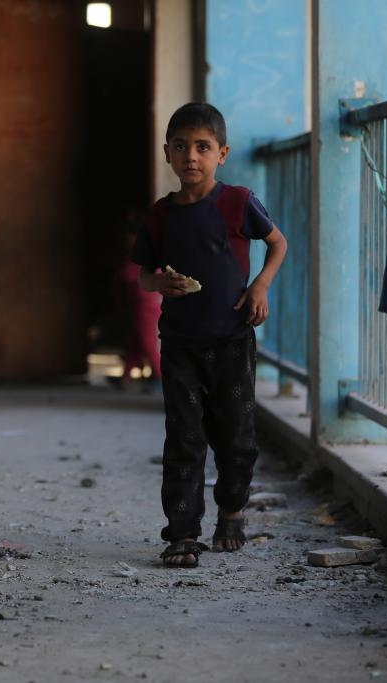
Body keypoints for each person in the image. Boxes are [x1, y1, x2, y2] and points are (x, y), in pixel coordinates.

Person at [129, 102, 288, 568]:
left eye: (202, 147)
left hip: (232, 340)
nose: (191, 157)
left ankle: (232, 511)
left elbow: (277, 242)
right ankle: (182, 533)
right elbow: (142, 275)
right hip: (179, 343)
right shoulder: (161, 216)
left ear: (222, 153)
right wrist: (160, 283)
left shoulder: (238, 201)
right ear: (167, 154)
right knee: (184, 438)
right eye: (181, 147)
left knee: (237, 436)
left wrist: (260, 284)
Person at [119, 208, 163, 390]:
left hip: (146, 302)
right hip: (140, 301)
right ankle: (126, 376)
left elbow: (130, 276)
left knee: (147, 341)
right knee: (136, 341)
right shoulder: (138, 254)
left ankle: (160, 378)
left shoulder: (143, 255)